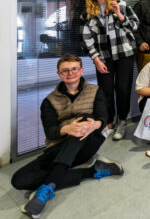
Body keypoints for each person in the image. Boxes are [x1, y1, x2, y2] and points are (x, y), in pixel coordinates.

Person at [11, 55, 124, 218]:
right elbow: (50, 131)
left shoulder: (95, 91)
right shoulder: (49, 101)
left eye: (74, 69)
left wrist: (95, 124)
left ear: (81, 70)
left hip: (87, 143)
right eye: (65, 70)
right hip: (57, 148)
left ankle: (46, 190)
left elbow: (103, 117)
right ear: (59, 74)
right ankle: (92, 171)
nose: (70, 73)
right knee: (19, 180)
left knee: (84, 121)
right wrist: (67, 129)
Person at [81, 0, 139, 140]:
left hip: (124, 54)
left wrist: (119, 14)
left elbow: (135, 25)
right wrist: (96, 59)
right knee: (106, 91)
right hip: (103, 56)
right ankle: (108, 123)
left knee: (122, 89)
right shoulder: (88, 12)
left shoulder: (121, 4)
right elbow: (86, 38)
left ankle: (122, 121)